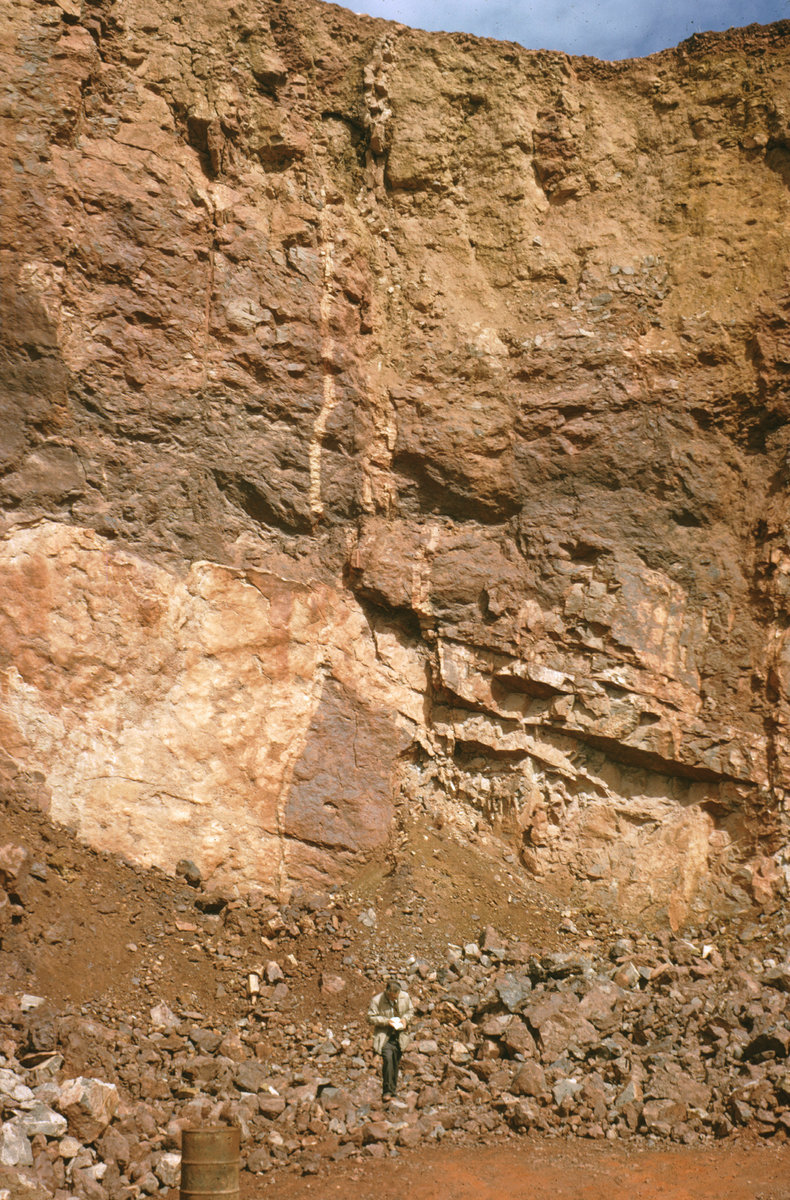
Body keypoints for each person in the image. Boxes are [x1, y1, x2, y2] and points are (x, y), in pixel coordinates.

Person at [367, 977, 414, 1099]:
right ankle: (387, 1091)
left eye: (396, 997)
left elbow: (410, 1011)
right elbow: (370, 1018)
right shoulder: (377, 1000)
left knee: (395, 1062)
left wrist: (405, 1019)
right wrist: (387, 1021)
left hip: (400, 1035)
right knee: (388, 1059)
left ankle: (393, 1090)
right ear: (387, 993)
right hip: (384, 1036)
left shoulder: (405, 997)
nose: (394, 999)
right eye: (392, 997)